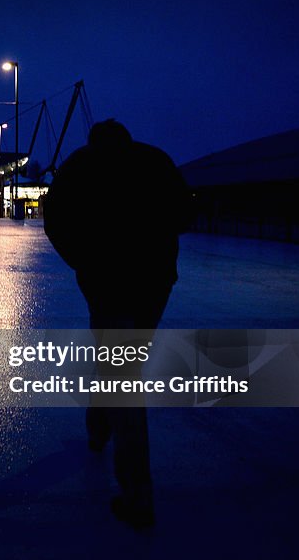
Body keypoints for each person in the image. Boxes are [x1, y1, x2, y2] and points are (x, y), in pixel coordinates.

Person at [44, 119, 192, 528]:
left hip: (107, 284)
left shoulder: (80, 164)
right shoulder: (155, 160)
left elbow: (54, 220)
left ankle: (137, 495)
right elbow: (185, 213)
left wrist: (84, 261)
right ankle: (98, 430)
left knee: (119, 373)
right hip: (154, 283)